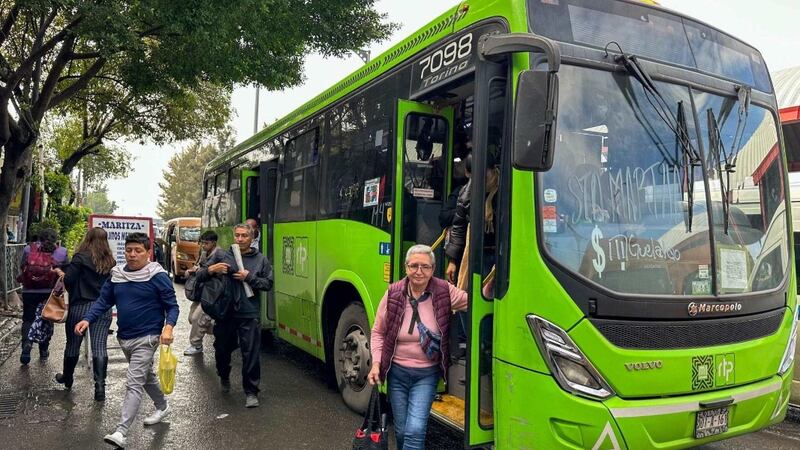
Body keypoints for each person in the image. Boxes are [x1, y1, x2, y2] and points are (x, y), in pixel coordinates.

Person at [75, 232, 179, 449]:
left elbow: (172, 306)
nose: (132, 255)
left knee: (134, 381)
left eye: (138, 251)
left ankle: (121, 432)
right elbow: (103, 301)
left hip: (148, 337)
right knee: (146, 376)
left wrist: (168, 328)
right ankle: (162, 406)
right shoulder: (117, 275)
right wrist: (87, 319)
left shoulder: (157, 276)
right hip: (125, 338)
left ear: (148, 253)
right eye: (129, 250)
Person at [368, 245, 468, 450]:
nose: (419, 271)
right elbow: (378, 332)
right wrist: (376, 363)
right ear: (406, 268)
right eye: (413, 266)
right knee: (402, 430)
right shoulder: (393, 294)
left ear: (433, 269)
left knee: (415, 430)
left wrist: (494, 284)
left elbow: (474, 301)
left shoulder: (444, 291)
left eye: (425, 266)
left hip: (426, 375)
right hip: (397, 374)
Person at [196, 223, 273, 408]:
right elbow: (199, 276)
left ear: (252, 238)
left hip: (249, 312)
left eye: (244, 235)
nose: (240, 239)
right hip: (225, 312)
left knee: (251, 353)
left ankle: (251, 392)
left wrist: (249, 278)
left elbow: (268, 284)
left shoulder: (260, 260)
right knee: (222, 349)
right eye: (237, 235)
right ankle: (224, 375)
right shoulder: (223, 256)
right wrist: (212, 270)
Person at [52, 227, 116, 400]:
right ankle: (100, 387)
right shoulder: (110, 261)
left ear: (87, 238)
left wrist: (61, 274)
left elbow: (69, 280)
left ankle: (67, 378)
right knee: (100, 346)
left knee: (73, 344)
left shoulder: (80, 257)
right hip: (102, 308)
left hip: (80, 306)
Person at [18, 227, 68, 365]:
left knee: (28, 319)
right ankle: (44, 349)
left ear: (39, 238)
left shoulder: (29, 249)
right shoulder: (62, 252)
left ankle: (27, 345)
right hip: (50, 293)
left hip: (29, 291)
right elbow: (66, 273)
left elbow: (22, 266)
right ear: (56, 239)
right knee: (47, 318)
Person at [183, 230, 219, 355]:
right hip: (201, 292)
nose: (203, 245)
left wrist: (201, 271)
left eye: (206, 243)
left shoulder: (219, 255)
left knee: (197, 318)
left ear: (214, 243)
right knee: (191, 318)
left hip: (211, 294)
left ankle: (196, 344)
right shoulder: (204, 253)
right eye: (202, 243)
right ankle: (223, 331)